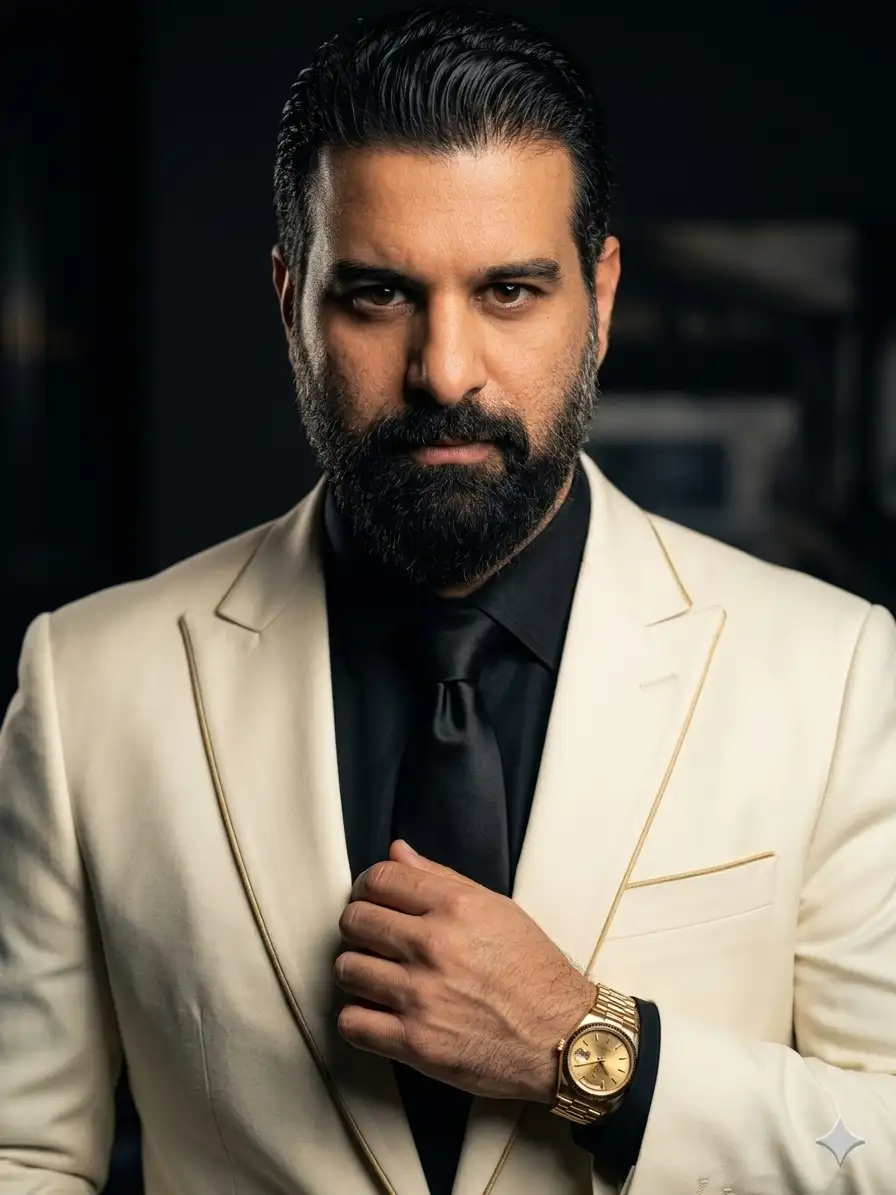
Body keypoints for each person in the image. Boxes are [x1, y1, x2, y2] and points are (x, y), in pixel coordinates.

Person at [1, 5, 894, 1194]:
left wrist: (592, 1054)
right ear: (288, 302)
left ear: (602, 297)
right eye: (376, 294)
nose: (444, 370)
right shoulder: (86, 684)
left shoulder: (831, 673)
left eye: (511, 291)